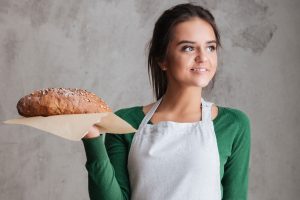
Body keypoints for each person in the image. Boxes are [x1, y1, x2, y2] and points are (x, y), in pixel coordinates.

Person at [82, 3, 251, 200]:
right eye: (188, 48)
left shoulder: (233, 124)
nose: (203, 57)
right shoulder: (125, 123)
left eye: (210, 47)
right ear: (162, 59)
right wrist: (92, 140)